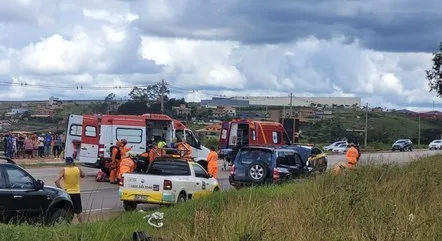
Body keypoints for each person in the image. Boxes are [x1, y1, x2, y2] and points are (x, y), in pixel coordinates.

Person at [55, 157, 85, 223]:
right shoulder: (77, 169)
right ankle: (82, 224)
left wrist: (61, 189)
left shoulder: (64, 170)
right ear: (73, 162)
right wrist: (76, 169)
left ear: (66, 163)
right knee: (79, 211)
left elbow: (56, 181)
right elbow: (83, 175)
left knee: (68, 210)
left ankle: (68, 225)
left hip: (67, 193)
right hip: (76, 192)